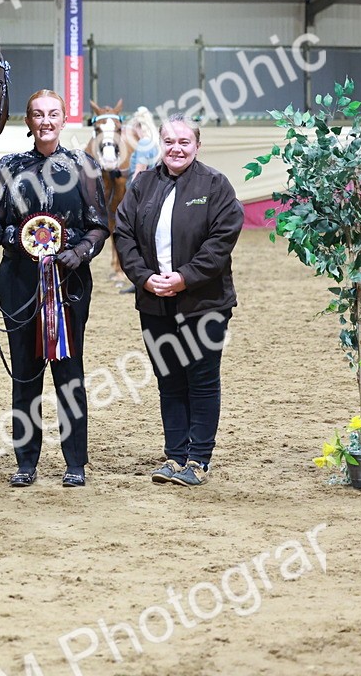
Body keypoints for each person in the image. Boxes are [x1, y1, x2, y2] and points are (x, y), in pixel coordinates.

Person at [0, 89, 109, 488]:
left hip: (69, 282)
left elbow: (99, 226)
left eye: (53, 114)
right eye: (38, 114)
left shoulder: (84, 166)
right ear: (28, 121)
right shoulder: (8, 167)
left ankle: (75, 462)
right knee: (24, 374)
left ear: (64, 119)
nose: (45, 121)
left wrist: (80, 252)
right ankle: (25, 461)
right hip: (18, 280)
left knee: (70, 372)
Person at [114, 113, 243, 488]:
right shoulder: (142, 184)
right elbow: (123, 233)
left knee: (201, 380)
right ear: (160, 144)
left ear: (197, 145)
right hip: (154, 301)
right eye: (169, 141)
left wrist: (185, 277)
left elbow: (221, 241)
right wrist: (143, 277)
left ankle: (198, 460)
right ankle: (174, 456)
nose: (176, 148)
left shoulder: (216, 185)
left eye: (184, 142)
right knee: (169, 380)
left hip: (204, 303)